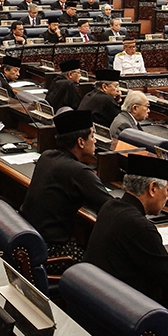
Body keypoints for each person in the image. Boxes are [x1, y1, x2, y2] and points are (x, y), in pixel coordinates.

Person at [83, 155, 168, 316]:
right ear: (152, 189)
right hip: (123, 311)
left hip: (97, 299)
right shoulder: (140, 226)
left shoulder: (110, 206)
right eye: (167, 190)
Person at [20, 110, 112, 268]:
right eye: (92, 136)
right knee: (104, 267)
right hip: (52, 251)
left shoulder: (46, 156)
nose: (95, 141)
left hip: (29, 241)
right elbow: (111, 207)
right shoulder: (78, 172)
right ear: (81, 142)